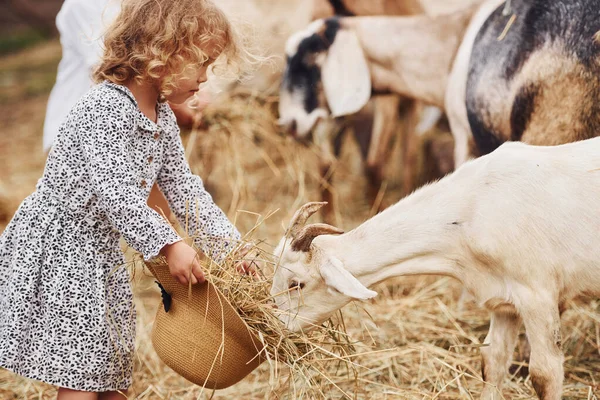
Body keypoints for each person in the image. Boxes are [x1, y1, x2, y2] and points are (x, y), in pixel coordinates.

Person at [0, 0, 254, 398]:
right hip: (64, 247)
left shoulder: (161, 114)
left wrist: (230, 247)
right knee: (80, 374)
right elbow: (117, 193)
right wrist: (171, 244)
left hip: (100, 253)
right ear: (163, 51)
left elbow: (182, 187)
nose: (206, 77)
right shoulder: (105, 108)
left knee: (110, 370)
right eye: (202, 62)